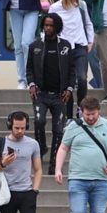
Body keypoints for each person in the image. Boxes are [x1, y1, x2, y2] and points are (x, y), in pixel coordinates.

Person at [46, 0, 103, 90]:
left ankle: (100, 85)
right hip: (66, 11)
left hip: (84, 12)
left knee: (93, 55)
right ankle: (73, 86)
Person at [26, 13, 77, 175]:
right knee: (39, 121)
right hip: (41, 94)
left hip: (60, 95)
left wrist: (69, 88)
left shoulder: (65, 46)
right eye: (46, 25)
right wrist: (32, 85)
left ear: (57, 27)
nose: (48, 28)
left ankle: (54, 162)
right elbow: (29, 69)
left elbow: (72, 70)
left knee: (58, 129)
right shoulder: (35, 46)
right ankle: (41, 148)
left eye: (51, 26)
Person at [48, 0, 94, 120]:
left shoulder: (81, 5)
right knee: (66, 83)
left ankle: (81, 109)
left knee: (81, 78)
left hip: (80, 46)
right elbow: (49, 28)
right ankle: (68, 116)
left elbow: (88, 23)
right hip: (63, 48)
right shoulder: (55, 8)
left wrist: (90, 40)